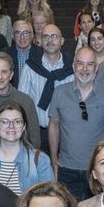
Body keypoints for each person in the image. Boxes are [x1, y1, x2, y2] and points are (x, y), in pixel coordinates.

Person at [48, 46, 104, 199]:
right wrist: (54, 161)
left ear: (96, 68)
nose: (84, 69)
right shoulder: (60, 92)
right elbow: (53, 126)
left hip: (98, 169)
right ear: (73, 66)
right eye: (80, 64)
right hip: (66, 169)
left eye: (89, 64)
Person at [19, 24, 74, 154]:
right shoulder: (31, 67)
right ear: (40, 42)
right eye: (45, 37)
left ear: (62, 41)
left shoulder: (72, 68)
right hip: (37, 133)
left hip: (65, 132)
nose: (50, 40)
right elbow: (22, 102)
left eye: (54, 36)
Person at [0, 102, 54, 195]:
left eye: (17, 122)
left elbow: (51, 196)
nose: (11, 126)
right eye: (5, 121)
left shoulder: (40, 159)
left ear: (24, 126)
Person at [7, 20, 38, 87]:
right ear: (12, 36)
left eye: (26, 33)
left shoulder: (41, 55)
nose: (22, 37)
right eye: (18, 33)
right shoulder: (5, 55)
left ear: (32, 35)